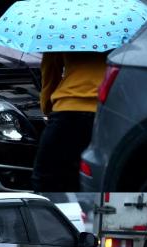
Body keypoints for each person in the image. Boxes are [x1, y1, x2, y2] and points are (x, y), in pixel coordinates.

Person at [32, 51, 108, 192]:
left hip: (68, 109)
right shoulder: (123, 33)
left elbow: (50, 70)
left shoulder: (61, 32)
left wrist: (47, 107)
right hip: (107, 111)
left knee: (46, 177)